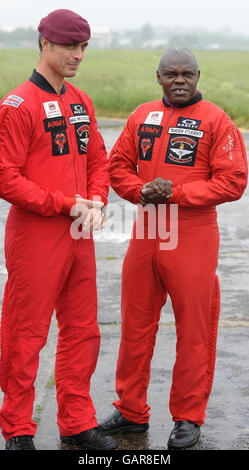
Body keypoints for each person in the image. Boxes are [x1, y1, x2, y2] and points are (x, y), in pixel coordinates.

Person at [99, 47, 248, 449]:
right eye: (171, 74)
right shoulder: (141, 115)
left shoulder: (217, 120)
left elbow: (233, 181)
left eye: (187, 74)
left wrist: (178, 193)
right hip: (146, 231)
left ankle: (187, 416)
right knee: (134, 324)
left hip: (193, 232)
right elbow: (118, 167)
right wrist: (140, 190)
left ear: (198, 76)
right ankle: (130, 411)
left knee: (194, 329)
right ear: (158, 77)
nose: (179, 80)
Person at [0, 9, 117, 451]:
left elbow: (98, 161)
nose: (78, 55)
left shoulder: (81, 101)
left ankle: (77, 420)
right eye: (69, 46)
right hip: (36, 236)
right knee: (26, 331)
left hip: (79, 234)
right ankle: (18, 427)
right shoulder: (16, 105)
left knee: (83, 328)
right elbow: (5, 177)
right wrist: (67, 204)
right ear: (44, 44)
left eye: (83, 47)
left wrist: (98, 199)